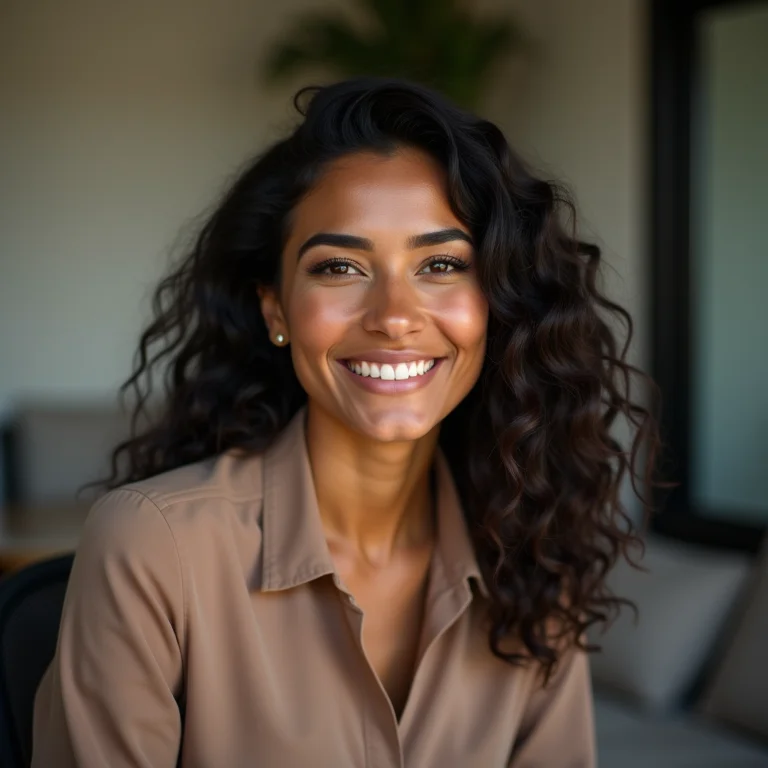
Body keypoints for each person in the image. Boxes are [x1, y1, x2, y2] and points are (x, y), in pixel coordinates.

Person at [31, 77, 658, 767]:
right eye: (339, 267)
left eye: (442, 264)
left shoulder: (534, 561)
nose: (393, 315)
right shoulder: (152, 548)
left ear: (497, 303)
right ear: (276, 309)